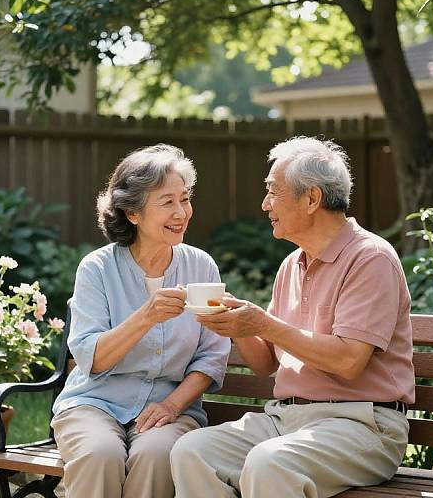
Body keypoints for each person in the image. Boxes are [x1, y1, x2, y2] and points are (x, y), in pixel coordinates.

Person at [171, 136, 415, 498]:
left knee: (270, 463)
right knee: (192, 453)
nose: (265, 203)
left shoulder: (370, 258)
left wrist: (264, 324)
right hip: (286, 420)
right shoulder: (292, 265)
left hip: (361, 425)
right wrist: (233, 325)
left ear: (312, 198)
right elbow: (264, 362)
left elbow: (349, 361)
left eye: (273, 191)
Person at [51, 144, 231, 498]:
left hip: (170, 407)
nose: (181, 212)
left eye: (185, 199)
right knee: (99, 454)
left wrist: (172, 406)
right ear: (132, 213)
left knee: (157, 454)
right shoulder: (97, 269)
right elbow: (91, 357)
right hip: (94, 402)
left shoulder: (201, 267)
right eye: (167, 202)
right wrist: (145, 317)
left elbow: (212, 357)